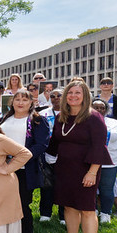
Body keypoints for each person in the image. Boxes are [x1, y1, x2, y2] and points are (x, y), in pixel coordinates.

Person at [47, 80, 111, 233]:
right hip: (64, 169)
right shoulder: (62, 117)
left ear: (85, 96)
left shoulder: (94, 118)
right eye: (70, 93)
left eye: (77, 93)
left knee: (88, 210)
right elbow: (55, 142)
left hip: (86, 170)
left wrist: (92, 172)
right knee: (69, 206)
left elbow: (100, 147)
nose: (73, 96)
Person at [0, 89, 50, 233]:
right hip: (4, 168)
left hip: (24, 168)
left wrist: (21, 157)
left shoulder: (37, 120)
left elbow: (41, 145)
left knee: (22, 204)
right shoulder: (5, 119)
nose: (20, 102)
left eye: (24, 99)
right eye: (17, 99)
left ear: (31, 103)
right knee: (4, 203)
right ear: (12, 102)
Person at [91, 98, 117, 224]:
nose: (99, 110)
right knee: (90, 189)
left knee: (107, 189)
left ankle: (106, 213)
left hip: (109, 162)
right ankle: (92, 211)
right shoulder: (83, 121)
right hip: (88, 162)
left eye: (102, 107)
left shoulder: (115, 124)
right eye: (96, 107)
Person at [38, 88, 63, 222]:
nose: (56, 98)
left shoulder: (70, 113)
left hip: (65, 153)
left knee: (64, 184)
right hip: (47, 152)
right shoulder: (43, 114)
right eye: (52, 96)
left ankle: (63, 214)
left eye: (59, 95)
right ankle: (45, 213)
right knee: (47, 183)